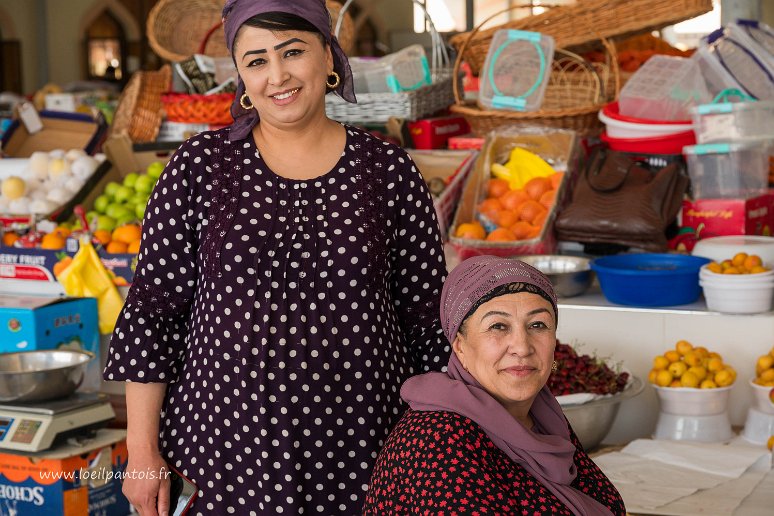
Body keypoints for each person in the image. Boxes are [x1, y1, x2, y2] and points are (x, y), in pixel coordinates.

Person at [103, 0, 448, 514]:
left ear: (330, 59)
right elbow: (155, 314)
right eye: (257, 60)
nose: (278, 75)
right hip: (228, 450)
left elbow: (428, 321)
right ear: (240, 75)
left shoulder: (389, 171)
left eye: (293, 52)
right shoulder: (200, 167)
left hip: (368, 446)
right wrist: (143, 450)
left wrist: (437, 448)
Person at [364, 256, 627, 515]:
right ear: (460, 347)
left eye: (538, 325)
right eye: (498, 326)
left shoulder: (543, 417)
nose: (522, 347)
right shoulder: (437, 441)